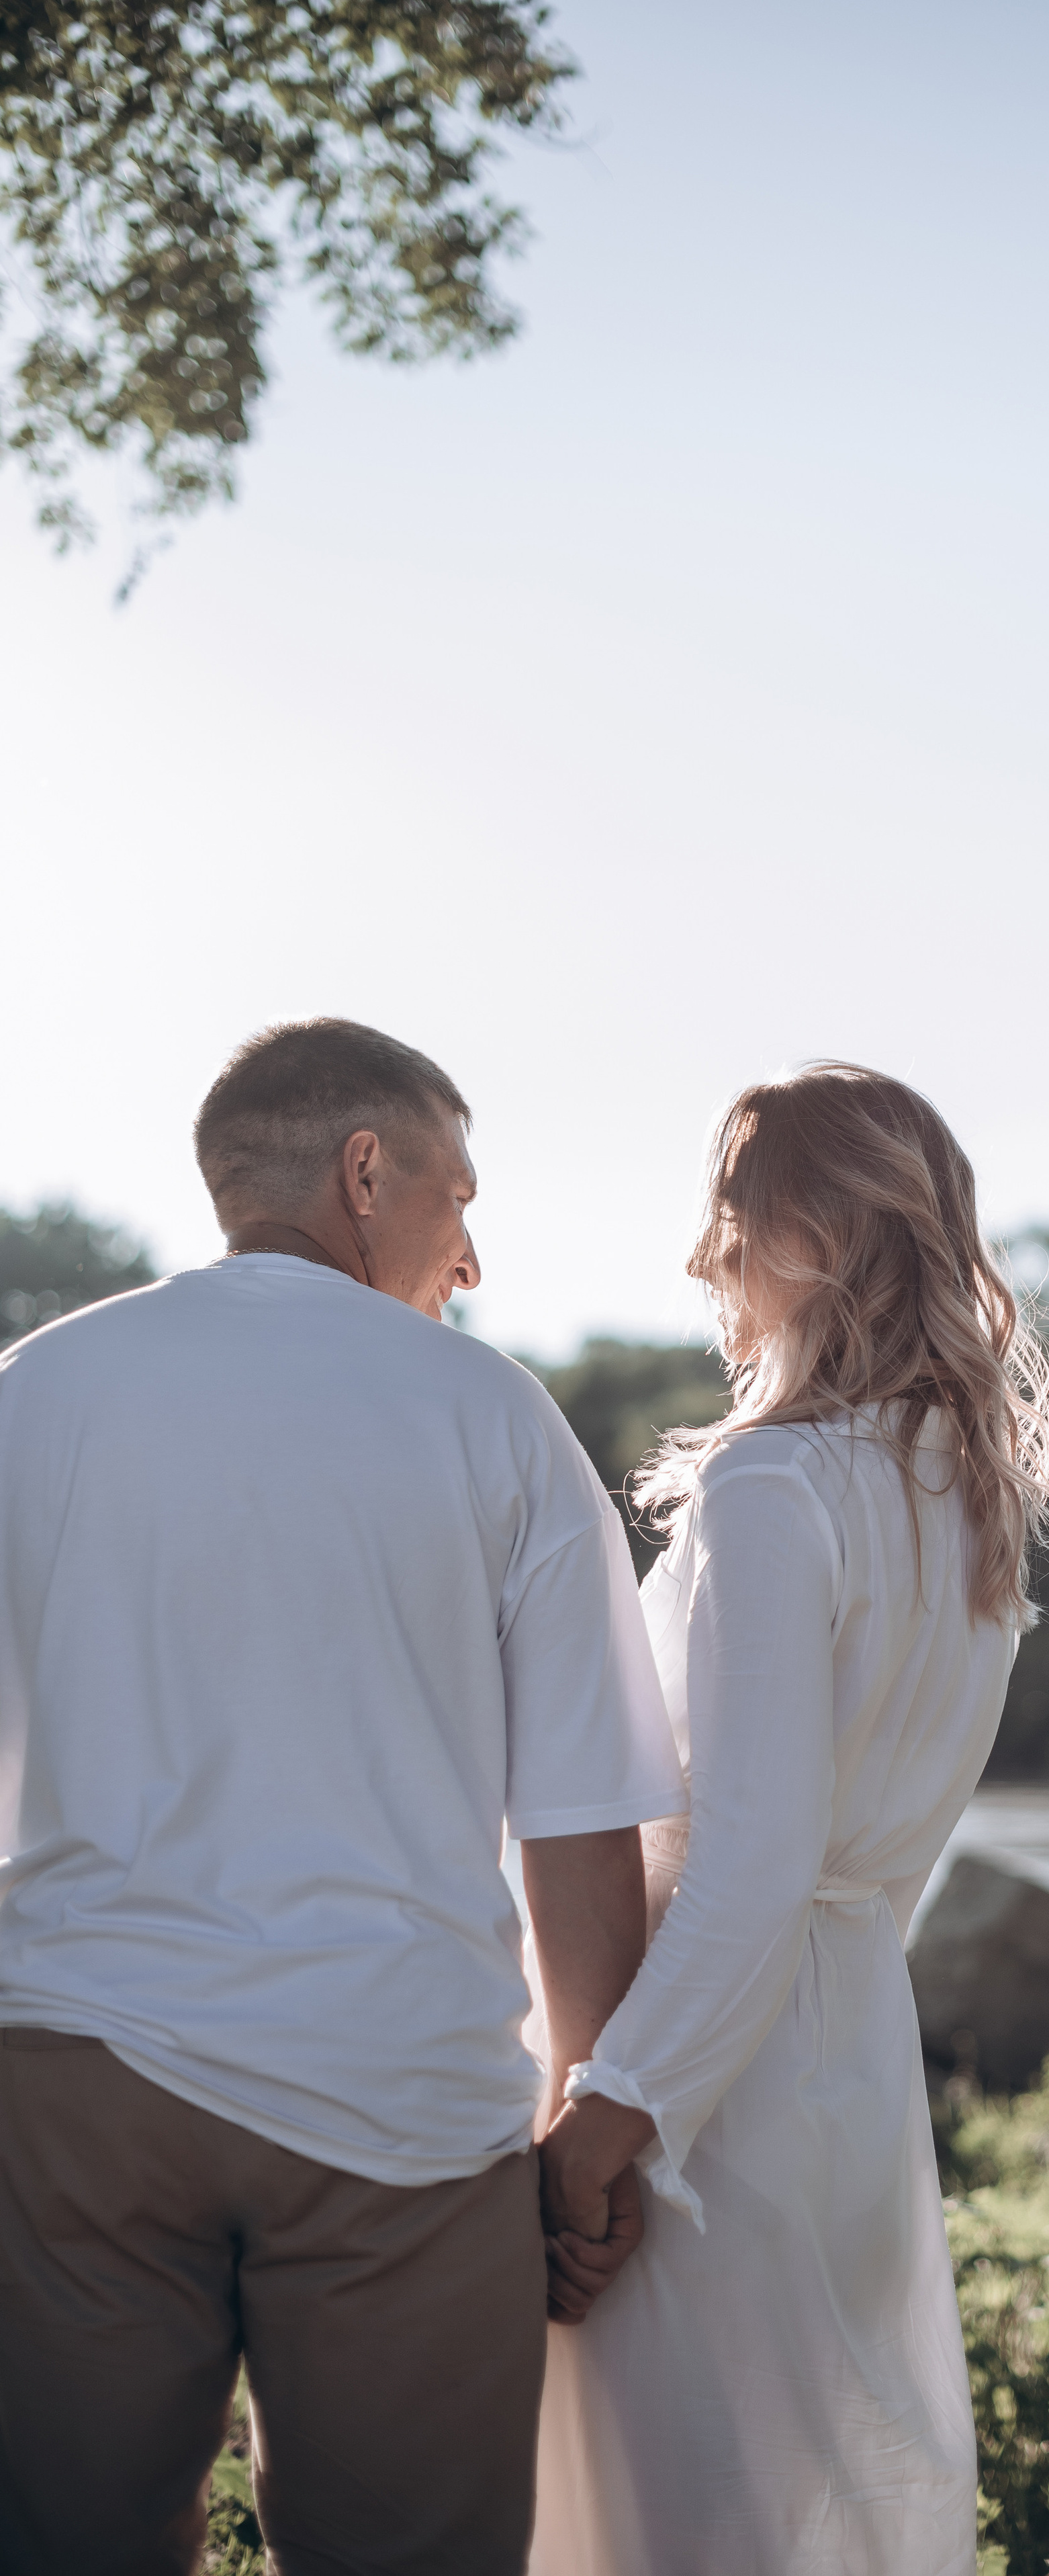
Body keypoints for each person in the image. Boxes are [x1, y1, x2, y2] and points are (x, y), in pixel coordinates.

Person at [0, 1018, 686, 2576]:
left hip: (75, 2090)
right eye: (459, 1194)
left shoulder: (29, 1393)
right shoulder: (487, 1412)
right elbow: (577, 1818)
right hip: (400, 2104)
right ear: (363, 1173)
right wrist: (583, 2121)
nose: (474, 1253)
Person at [530, 1063, 1049, 2575]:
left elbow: (755, 1859)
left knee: (681, 2518)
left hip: (710, 2075)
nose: (700, 1257)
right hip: (850, 2044)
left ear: (811, 1233)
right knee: (811, 2496)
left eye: (727, 1211)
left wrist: (610, 2113)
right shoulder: (966, 1491)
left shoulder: (774, 1487)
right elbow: (852, 1866)